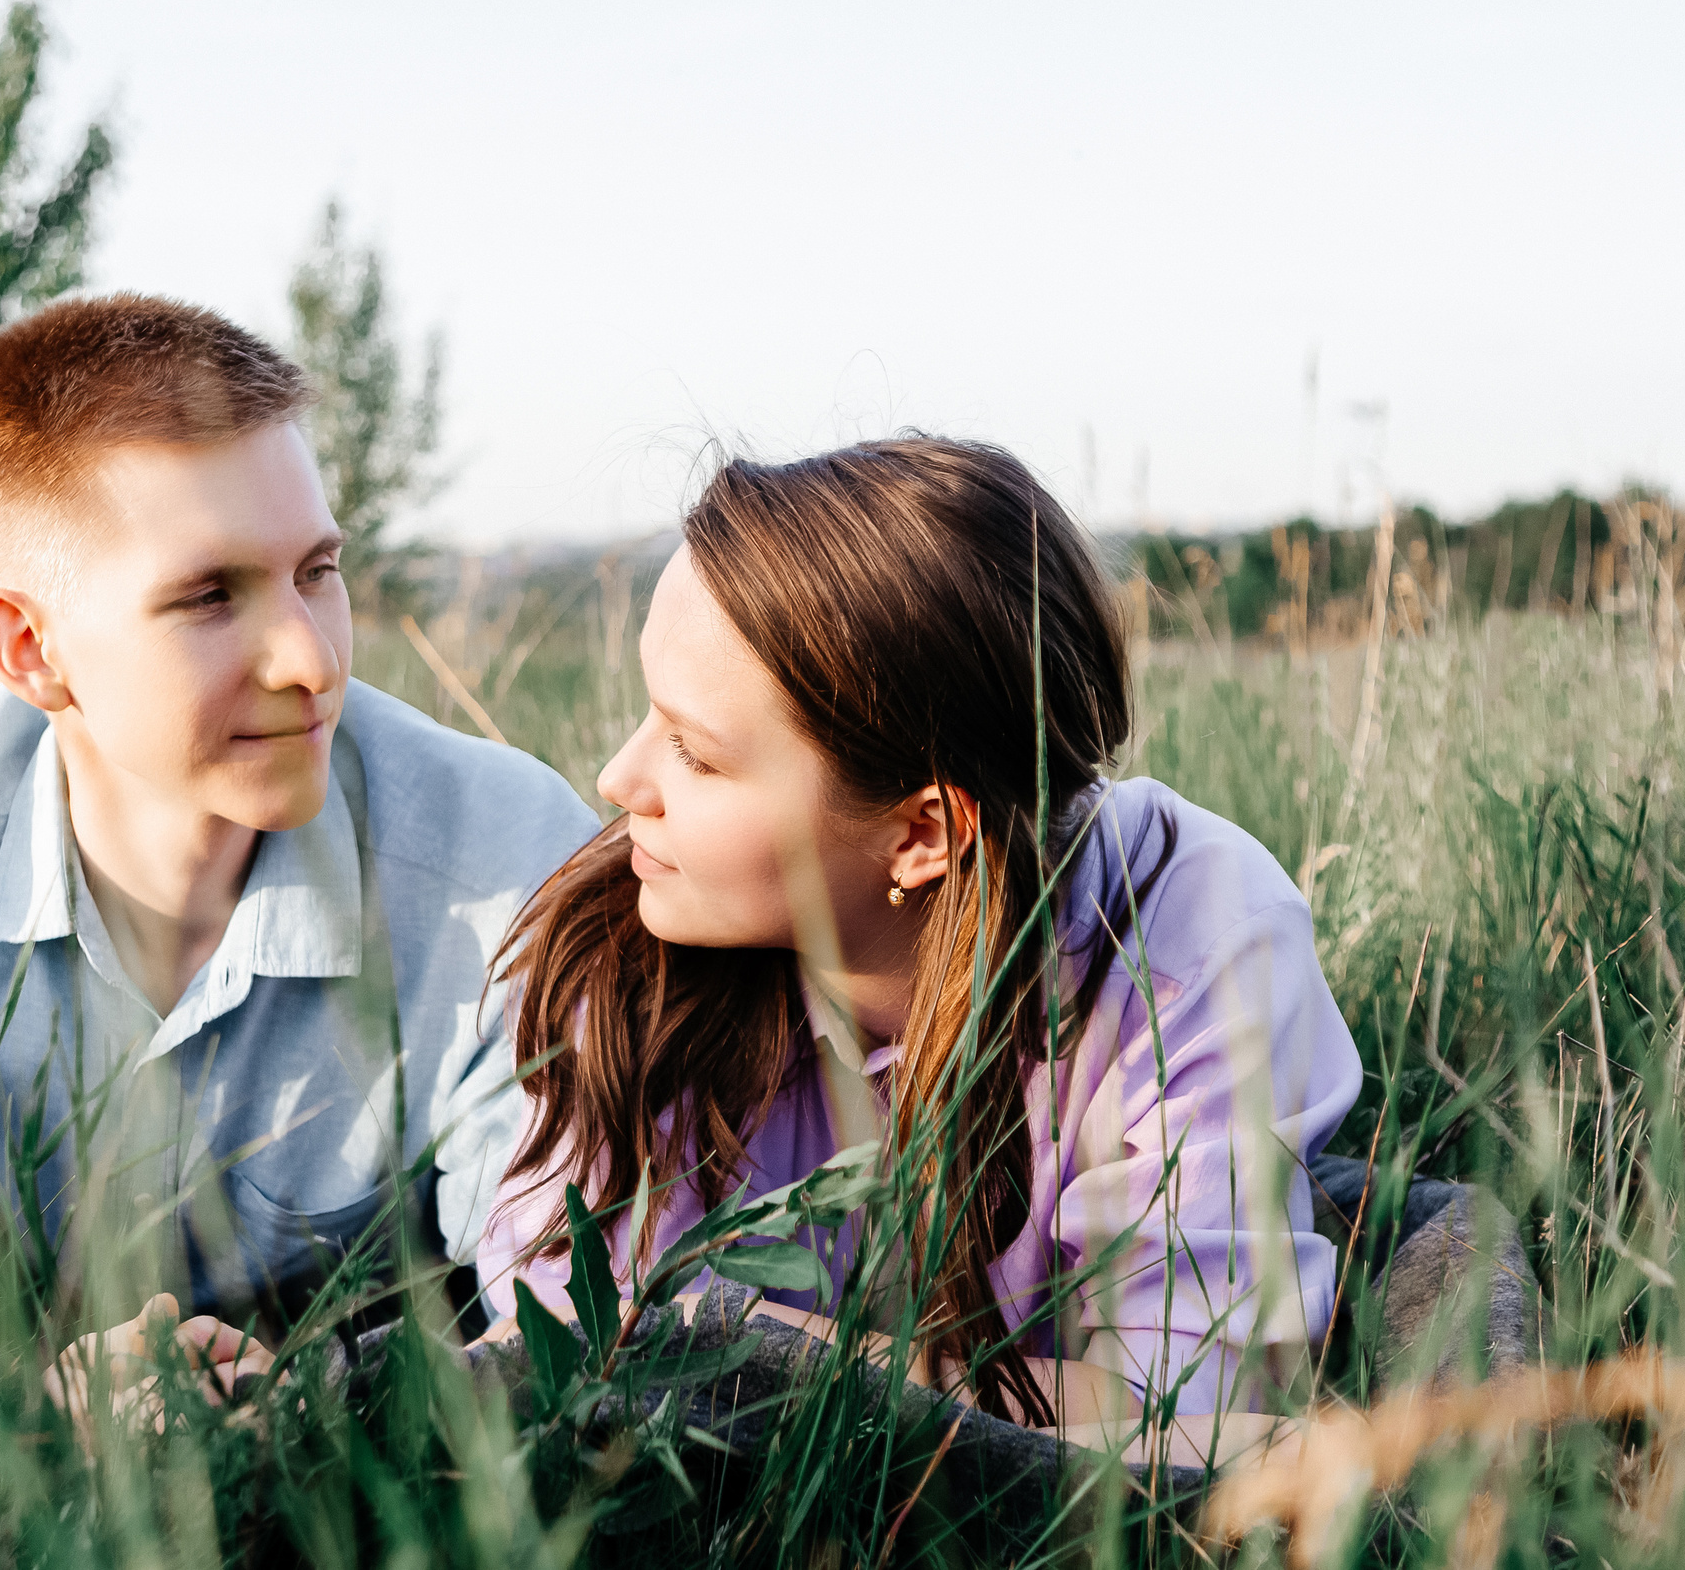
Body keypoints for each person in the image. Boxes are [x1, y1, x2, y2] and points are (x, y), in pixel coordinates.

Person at [0, 295, 600, 1372]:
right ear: (31, 649)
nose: (311, 663)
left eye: (318, 571)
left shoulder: (505, 855)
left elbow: (579, 1318)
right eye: (210, 597)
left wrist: (312, 1411)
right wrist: (32, 1420)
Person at [478, 437, 1362, 1460]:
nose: (616, 776)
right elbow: (568, 1359)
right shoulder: (628, 944)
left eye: (695, 752)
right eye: (649, 715)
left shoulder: (1193, 936)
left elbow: (1199, 1416)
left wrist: (747, 1354)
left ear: (921, 833)